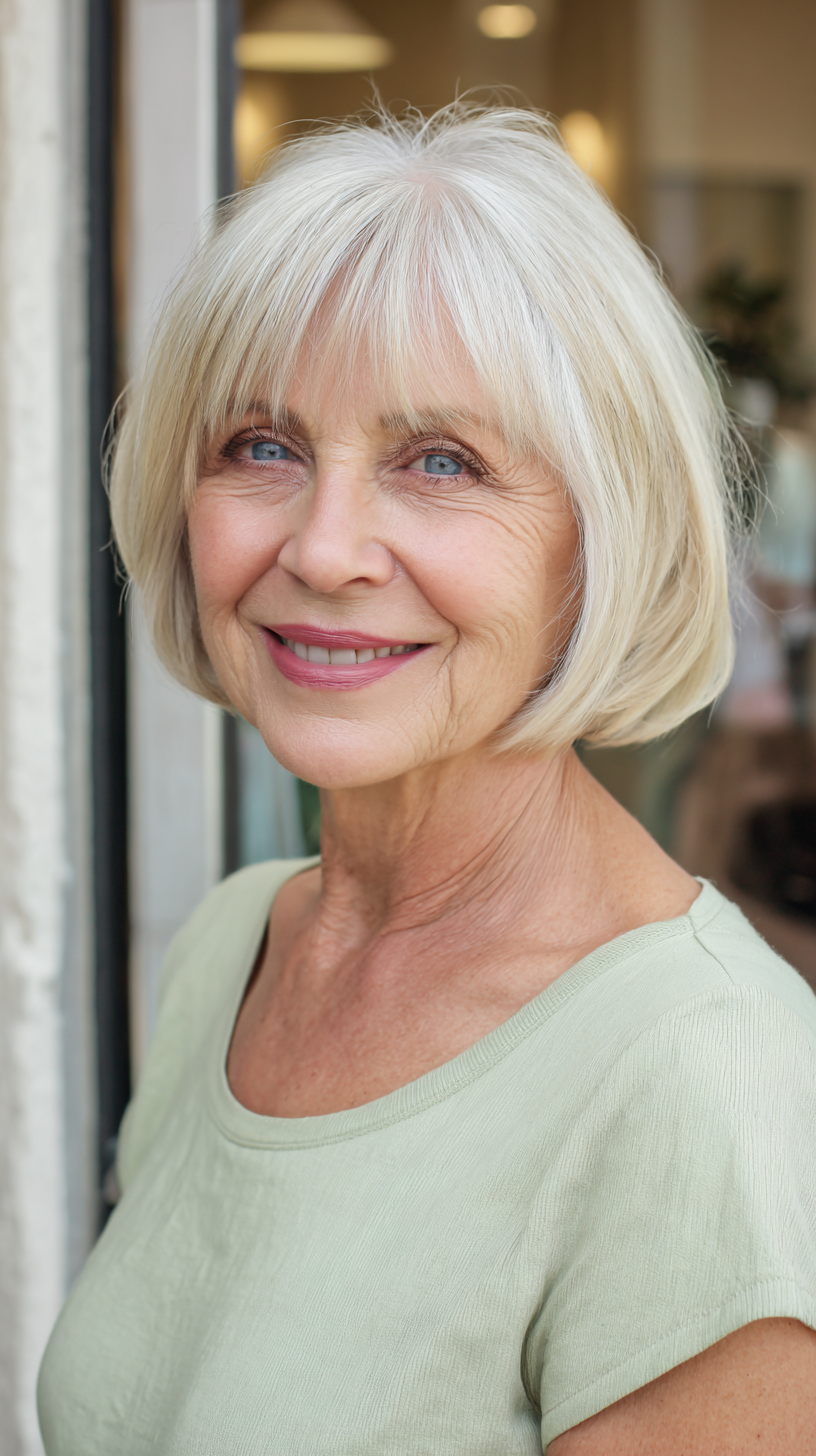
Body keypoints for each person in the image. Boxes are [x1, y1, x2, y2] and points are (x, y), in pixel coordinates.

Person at [38, 105, 816, 1454]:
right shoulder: (237, 944)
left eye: (440, 462)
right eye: (261, 447)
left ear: (604, 535)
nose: (326, 547)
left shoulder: (701, 1078)